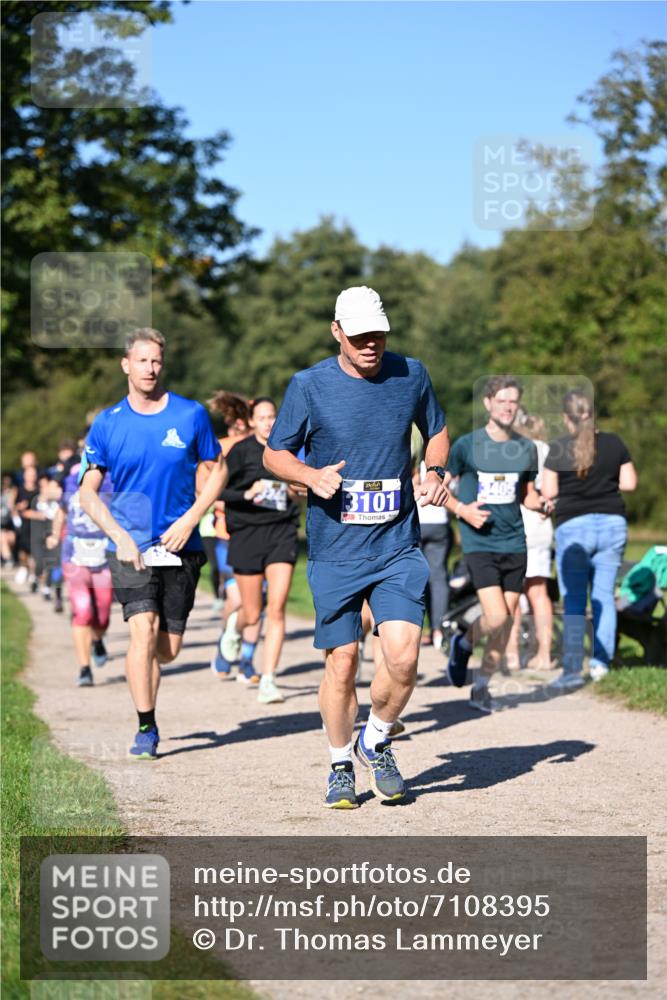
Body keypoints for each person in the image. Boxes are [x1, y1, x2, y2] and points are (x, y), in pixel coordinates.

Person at [264, 285, 449, 809]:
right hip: (335, 547)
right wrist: (309, 474)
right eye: (361, 336)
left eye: (379, 334)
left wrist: (434, 469)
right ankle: (341, 762)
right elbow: (275, 454)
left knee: (405, 656)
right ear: (337, 332)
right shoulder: (308, 385)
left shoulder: (411, 374)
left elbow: (437, 430)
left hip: (395, 543)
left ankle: (378, 738)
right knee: (342, 662)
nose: (372, 345)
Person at [79, 327, 226, 758]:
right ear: (126, 364)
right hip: (131, 546)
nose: (150, 368)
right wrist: (120, 537)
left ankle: (149, 693)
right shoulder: (108, 424)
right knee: (142, 630)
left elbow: (216, 471)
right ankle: (146, 725)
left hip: (181, 544)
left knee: (168, 648)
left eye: (157, 360)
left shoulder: (190, 414)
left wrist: (191, 519)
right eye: (142, 360)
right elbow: (88, 492)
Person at [445, 376, 553, 712]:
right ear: (488, 403)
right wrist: (461, 509)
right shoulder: (466, 446)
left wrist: (541, 504)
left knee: (506, 622)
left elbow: (525, 494)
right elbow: (439, 488)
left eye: (513, 402)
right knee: (495, 617)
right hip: (480, 542)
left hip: (514, 543)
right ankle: (463, 643)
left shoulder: (526, 448)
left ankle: (481, 687)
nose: (508, 407)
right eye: (502, 401)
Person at [541, 390, 637, 686]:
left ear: (565, 418)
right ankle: (600, 665)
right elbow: (629, 483)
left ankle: (571, 670)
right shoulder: (614, 443)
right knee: (604, 596)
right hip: (612, 523)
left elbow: (549, 492)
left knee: (573, 600)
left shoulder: (558, 448)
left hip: (574, 527)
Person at [217, 397, 300, 704]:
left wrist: (296, 490)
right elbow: (217, 490)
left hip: (282, 532)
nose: (268, 422)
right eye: (262, 417)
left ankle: (268, 679)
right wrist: (246, 492)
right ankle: (234, 629)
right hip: (247, 533)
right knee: (252, 613)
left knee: (275, 609)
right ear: (251, 422)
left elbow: (304, 489)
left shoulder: (287, 450)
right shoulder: (240, 452)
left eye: (272, 417)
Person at [47, 458, 114, 685]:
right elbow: (61, 511)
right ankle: (84, 669)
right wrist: (56, 535)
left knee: (102, 614)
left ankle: (97, 640)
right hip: (75, 554)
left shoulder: (111, 484)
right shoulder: (69, 484)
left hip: (104, 554)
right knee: (83, 610)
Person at [505, 412, 555, 670]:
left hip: (514, 522)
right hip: (540, 523)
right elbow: (551, 492)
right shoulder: (547, 450)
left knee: (512, 592)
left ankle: (512, 653)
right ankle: (544, 654)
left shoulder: (512, 449)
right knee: (539, 593)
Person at [413, 456, 452, 648]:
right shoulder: (441, 466)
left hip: (416, 522)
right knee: (438, 577)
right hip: (439, 523)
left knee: (415, 576)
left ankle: (413, 629)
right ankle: (439, 630)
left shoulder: (407, 460)